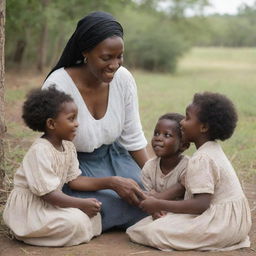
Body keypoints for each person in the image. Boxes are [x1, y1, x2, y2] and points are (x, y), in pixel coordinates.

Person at [42, 11, 149, 231]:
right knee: (106, 202)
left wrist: (155, 178)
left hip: (115, 158)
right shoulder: (57, 86)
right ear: (85, 52)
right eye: (106, 57)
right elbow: (54, 152)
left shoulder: (123, 79)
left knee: (144, 194)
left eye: (119, 56)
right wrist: (111, 182)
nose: (115, 65)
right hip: (75, 170)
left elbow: (133, 137)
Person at [127, 92, 252, 251]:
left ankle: (220, 239)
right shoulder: (212, 149)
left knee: (146, 231)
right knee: (147, 225)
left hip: (220, 225)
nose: (181, 123)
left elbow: (201, 204)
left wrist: (158, 203)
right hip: (235, 222)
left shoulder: (201, 159)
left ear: (203, 127)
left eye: (187, 118)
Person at [3, 87, 102, 247]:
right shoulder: (39, 150)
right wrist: (81, 204)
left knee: (93, 216)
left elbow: (74, 180)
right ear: (51, 123)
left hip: (50, 205)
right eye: (71, 119)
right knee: (76, 221)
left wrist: (110, 182)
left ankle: (71, 231)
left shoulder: (68, 146)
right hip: (31, 210)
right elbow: (48, 195)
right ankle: (27, 233)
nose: (77, 124)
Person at [141, 113, 190, 220]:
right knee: (135, 231)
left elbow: (184, 190)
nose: (158, 138)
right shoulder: (149, 167)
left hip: (183, 215)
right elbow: (148, 198)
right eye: (156, 133)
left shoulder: (188, 166)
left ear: (183, 145)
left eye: (167, 135)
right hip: (157, 215)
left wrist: (156, 199)